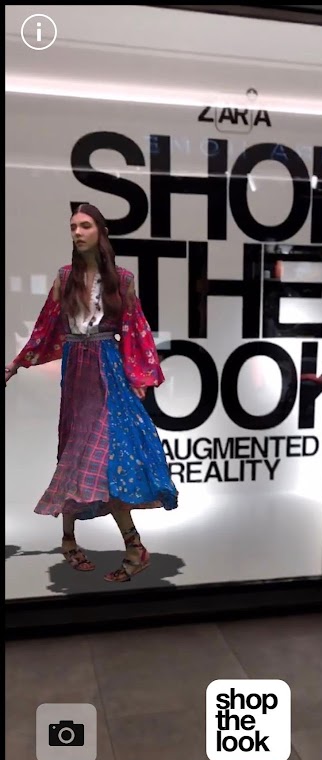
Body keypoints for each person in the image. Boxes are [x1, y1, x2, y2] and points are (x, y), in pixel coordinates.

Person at [5, 204, 178, 582]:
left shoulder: (122, 279)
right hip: (76, 371)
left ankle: (133, 546)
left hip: (107, 369)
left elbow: (134, 328)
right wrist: (16, 363)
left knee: (102, 456)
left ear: (100, 231)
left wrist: (139, 376)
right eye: (73, 227)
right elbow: (45, 326)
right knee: (73, 451)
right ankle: (71, 540)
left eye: (85, 225)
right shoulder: (65, 277)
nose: (78, 232)